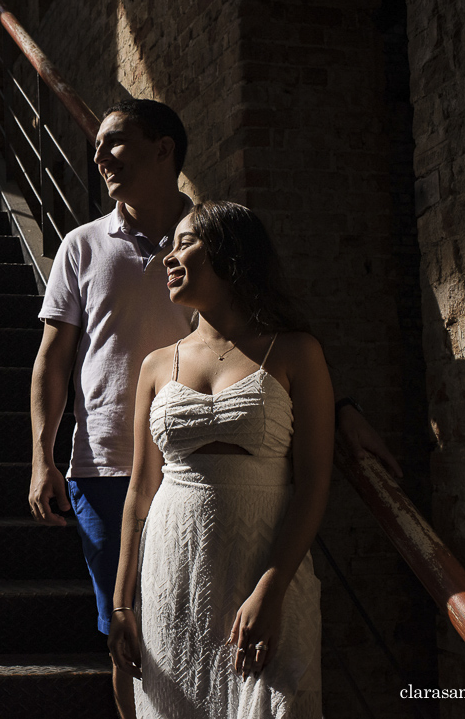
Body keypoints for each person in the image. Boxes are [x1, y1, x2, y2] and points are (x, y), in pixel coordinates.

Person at [28, 99, 398, 719]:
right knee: (128, 636)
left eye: (114, 143)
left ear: (164, 149)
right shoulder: (80, 246)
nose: (98, 157)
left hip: (225, 467)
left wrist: (338, 407)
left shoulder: (214, 235)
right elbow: (51, 360)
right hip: (106, 468)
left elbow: (268, 339)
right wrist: (42, 458)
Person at [107, 200, 328, 717]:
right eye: (170, 245)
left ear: (231, 254)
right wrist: (121, 604)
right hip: (173, 573)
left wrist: (270, 591)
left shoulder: (296, 351)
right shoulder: (158, 364)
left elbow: (315, 483)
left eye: (186, 242)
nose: (169, 256)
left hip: (265, 568)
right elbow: (140, 493)